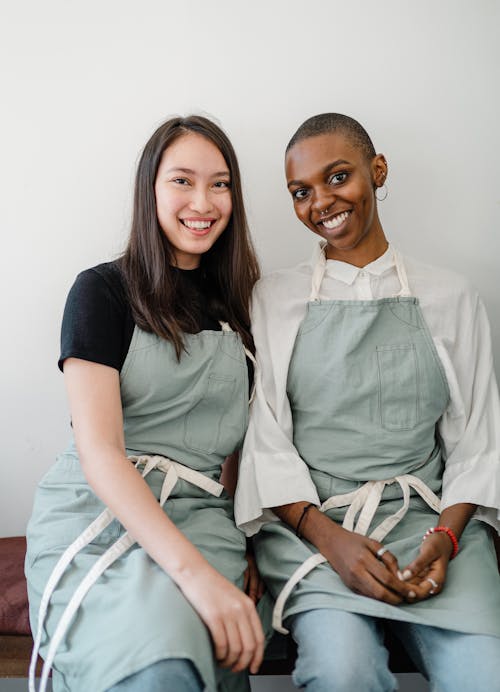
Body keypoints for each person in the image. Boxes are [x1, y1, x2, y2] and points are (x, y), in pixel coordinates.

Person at [235, 113, 500, 691]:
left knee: (486, 675)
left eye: (338, 177)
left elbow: (477, 440)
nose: (321, 202)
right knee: (342, 671)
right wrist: (334, 544)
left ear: (377, 171)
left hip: (432, 526)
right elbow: (267, 442)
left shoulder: (451, 296)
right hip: (318, 532)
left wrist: (447, 538)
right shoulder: (271, 299)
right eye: (300, 192)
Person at [25, 115, 264, 692]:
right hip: (95, 512)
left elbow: (241, 450)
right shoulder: (101, 291)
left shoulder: (246, 305)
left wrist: (248, 542)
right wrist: (197, 578)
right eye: (182, 180)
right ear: (149, 189)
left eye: (221, 183)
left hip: (205, 520)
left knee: (197, 655)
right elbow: (101, 452)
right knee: (154, 667)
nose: (203, 201)